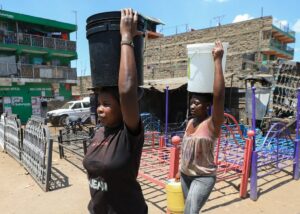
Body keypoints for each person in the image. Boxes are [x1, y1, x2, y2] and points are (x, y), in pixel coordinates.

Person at [82, 8, 148, 214]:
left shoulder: (129, 134)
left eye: (107, 104)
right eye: (98, 103)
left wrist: (126, 37)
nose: (100, 109)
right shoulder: (99, 132)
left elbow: (127, 90)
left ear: (124, 108)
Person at [176, 41, 225, 214]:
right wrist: (179, 171)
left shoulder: (213, 123)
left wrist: (218, 59)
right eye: (191, 103)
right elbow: (185, 150)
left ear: (207, 106)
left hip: (203, 177)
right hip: (185, 176)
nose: (192, 106)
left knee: (190, 212)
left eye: (197, 103)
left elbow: (219, 96)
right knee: (189, 210)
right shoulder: (190, 122)